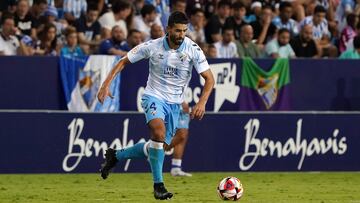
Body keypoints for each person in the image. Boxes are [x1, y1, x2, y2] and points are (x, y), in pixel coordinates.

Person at [97, 11, 214, 200]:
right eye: (177, 30)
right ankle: (158, 186)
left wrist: (202, 102)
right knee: (158, 134)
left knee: (159, 146)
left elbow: (209, 79)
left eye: (184, 31)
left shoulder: (193, 49)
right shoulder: (152, 46)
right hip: (153, 97)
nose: (181, 35)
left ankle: (116, 156)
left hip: (174, 104)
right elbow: (123, 61)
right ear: (168, 29)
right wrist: (105, 84)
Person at [165, 102, 192, 177]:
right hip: (171, 99)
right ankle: (155, 151)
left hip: (180, 99)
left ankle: (176, 168)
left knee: (182, 137)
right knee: (181, 134)